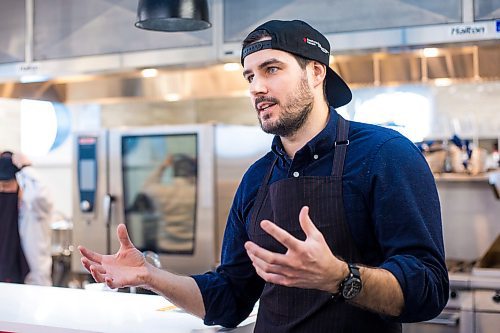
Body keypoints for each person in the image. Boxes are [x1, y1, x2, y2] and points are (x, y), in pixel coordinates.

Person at [79, 20, 448, 332]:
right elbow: (230, 297)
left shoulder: (386, 155)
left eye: (272, 69)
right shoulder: (258, 178)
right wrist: (150, 276)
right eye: (249, 76)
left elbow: (428, 289)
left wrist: (338, 276)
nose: (256, 87)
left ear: (316, 72)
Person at [0, 151, 53, 286]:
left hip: (32, 280)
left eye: (6, 186)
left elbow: (41, 196)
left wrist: (27, 167)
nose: (3, 190)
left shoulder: (33, 207)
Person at [129, 154, 197, 253]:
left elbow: (146, 186)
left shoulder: (162, 192)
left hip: (166, 246)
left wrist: (162, 166)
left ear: (174, 172)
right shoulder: (196, 192)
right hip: (190, 247)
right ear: (192, 172)